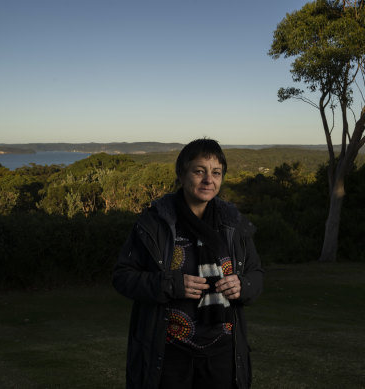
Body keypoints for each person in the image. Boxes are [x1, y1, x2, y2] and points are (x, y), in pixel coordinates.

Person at [112, 138, 263, 389]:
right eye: (199, 171)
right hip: (169, 355)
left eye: (216, 173)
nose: (208, 180)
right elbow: (122, 276)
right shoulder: (154, 223)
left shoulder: (234, 225)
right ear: (181, 174)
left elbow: (255, 273)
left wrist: (243, 285)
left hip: (222, 355)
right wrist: (168, 284)